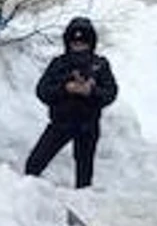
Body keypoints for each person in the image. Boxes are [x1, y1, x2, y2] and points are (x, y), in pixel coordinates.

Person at [24, 16, 119, 189]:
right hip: (61, 123)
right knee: (34, 164)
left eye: (83, 43)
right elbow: (42, 91)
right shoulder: (59, 64)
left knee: (84, 176)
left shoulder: (100, 65)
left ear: (91, 43)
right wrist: (65, 88)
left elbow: (110, 93)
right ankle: (30, 197)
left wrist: (91, 92)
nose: (78, 47)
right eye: (75, 43)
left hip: (87, 125)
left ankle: (82, 207)